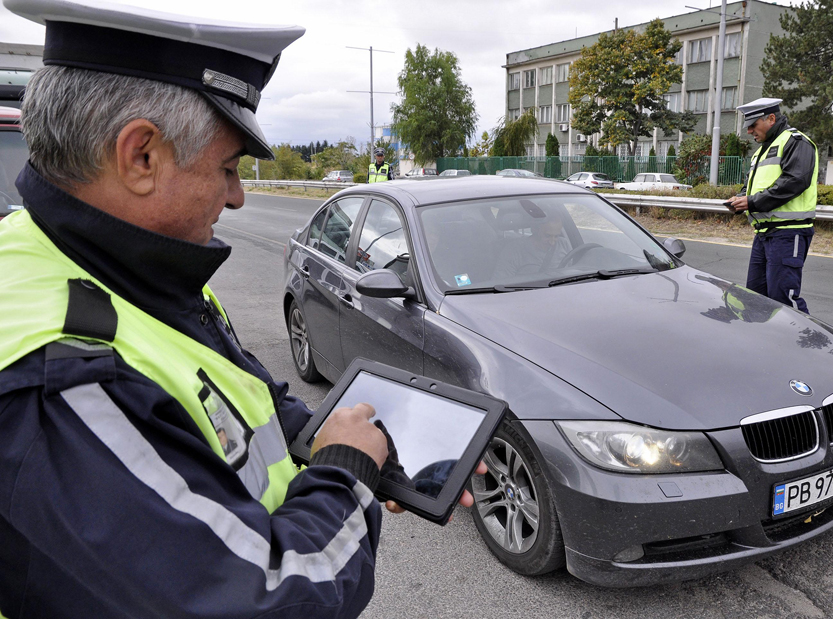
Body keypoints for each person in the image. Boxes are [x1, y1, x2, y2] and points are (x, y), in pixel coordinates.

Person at [0, 1, 475, 617]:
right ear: (140, 155)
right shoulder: (57, 386)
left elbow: (238, 401)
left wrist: (370, 439)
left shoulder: (96, 261)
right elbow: (266, 600)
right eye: (225, 168)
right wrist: (349, 470)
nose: (238, 196)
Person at [726, 97, 818, 314]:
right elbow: (753, 187)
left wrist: (751, 202)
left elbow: (795, 181)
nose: (749, 131)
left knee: (783, 298)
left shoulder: (796, 142)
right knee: (755, 297)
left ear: (771, 118)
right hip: (764, 234)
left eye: (753, 125)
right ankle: (763, 345)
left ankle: (804, 344)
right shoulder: (762, 151)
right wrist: (740, 199)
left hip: (788, 233)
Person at [493, 213, 573, 278]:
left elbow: (573, 271)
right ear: (534, 230)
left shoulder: (564, 244)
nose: (552, 242)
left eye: (556, 236)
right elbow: (501, 283)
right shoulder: (514, 250)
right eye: (547, 236)